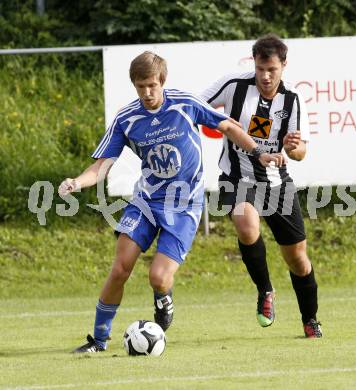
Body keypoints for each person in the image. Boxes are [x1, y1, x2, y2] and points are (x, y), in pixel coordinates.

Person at [58, 51, 284, 353]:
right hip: (146, 202)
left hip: (184, 205)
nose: (147, 92)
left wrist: (259, 153)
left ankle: (163, 300)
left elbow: (228, 126)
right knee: (120, 267)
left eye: (152, 85)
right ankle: (98, 340)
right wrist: (77, 182)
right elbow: (101, 166)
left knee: (159, 278)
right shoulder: (127, 119)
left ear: (162, 81)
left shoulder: (184, 104)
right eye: (141, 87)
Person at [201, 34, 322, 338]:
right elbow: (195, 105)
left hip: (277, 184)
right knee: (245, 223)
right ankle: (265, 290)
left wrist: (292, 148)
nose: (266, 76)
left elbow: (301, 153)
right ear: (253, 63)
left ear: (284, 65)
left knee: (297, 258)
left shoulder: (293, 99)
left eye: (272, 70)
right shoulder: (233, 84)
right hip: (237, 177)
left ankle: (310, 320)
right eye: (260, 69)